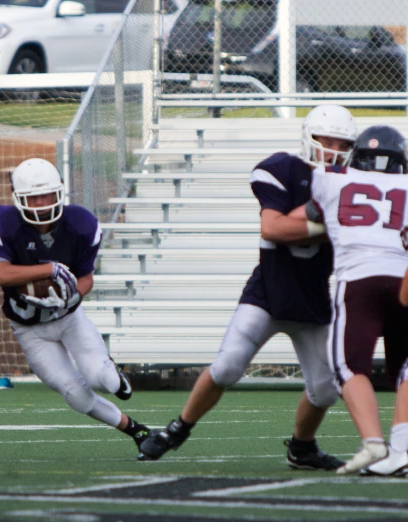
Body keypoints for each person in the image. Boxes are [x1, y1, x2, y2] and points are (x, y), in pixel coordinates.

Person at [140, 105, 358, 469]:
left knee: (324, 389)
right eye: (326, 139)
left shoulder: (354, 183)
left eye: (342, 142)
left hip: (313, 299)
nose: (333, 148)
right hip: (269, 292)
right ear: (310, 138)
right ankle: (176, 429)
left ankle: (302, 448)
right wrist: (328, 225)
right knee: (226, 367)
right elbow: (272, 229)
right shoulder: (284, 169)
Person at [0, 158, 148, 457]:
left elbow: (86, 279)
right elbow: (2, 275)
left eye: (46, 195)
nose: (41, 204)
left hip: (69, 318)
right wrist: (50, 270)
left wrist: (70, 298)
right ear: (18, 199)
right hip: (30, 329)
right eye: (33, 197)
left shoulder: (81, 224)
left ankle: (114, 374)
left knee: (100, 379)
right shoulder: (0, 223)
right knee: (76, 395)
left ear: (60, 194)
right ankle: (137, 431)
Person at [295, 125, 408, 475]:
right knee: (405, 367)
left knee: (348, 367)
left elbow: (312, 216)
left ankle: (374, 443)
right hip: (403, 276)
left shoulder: (332, 178)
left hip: (359, 280)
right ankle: (402, 450)